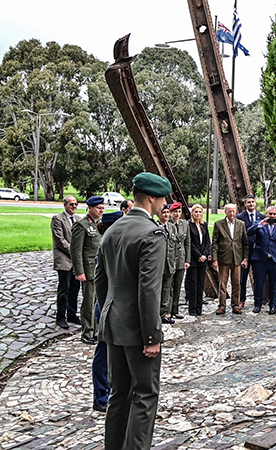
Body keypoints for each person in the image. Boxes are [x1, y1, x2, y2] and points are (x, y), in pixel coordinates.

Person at [95, 172, 171, 450]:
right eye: (162, 198)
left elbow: (100, 280)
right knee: (145, 395)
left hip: (113, 325)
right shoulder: (152, 233)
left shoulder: (112, 229)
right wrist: (152, 337)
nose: (164, 204)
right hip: (139, 331)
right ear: (151, 198)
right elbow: (148, 291)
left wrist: (110, 314)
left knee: (119, 394)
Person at [91, 210, 123, 413]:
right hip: (105, 306)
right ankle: (100, 396)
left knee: (111, 353)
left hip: (112, 306)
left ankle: (109, 390)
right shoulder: (106, 247)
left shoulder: (114, 245)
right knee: (103, 353)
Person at [72, 195, 105, 345]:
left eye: (102, 208)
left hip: (99, 270)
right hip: (89, 269)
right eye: (98, 208)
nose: (101, 211)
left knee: (98, 302)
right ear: (90, 208)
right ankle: (87, 332)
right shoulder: (82, 225)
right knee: (89, 302)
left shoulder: (101, 224)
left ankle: (97, 330)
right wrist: (79, 271)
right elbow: (76, 250)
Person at [247, 206, 276, 315]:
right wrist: (259, 225)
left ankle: (273, 306)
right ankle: (257, 304)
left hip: (274, 260)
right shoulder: (260, 223)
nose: (271, 216)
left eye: (274, 214)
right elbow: (249, 232)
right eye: (270, 214)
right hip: (260, 259)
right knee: (259, 283)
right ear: (266, 214)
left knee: (274, 284)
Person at [211, 203, 249, 315]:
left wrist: (245, 258)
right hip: (223, 258)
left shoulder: (241, 224)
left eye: (233, 211)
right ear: (225, 212)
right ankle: (222, 305)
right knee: (223, 283)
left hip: (237, 258)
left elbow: (245, 243)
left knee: (236, 283)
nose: (232, 213)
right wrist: (215, 259)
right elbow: (214, 243)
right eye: (229, 211)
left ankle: (235, 305)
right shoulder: (218, 224)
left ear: (236, 212)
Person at [51, 196, 81, 330]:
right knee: (64, 289)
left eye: (76, 204)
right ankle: (61, 317)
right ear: (64, 205)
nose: (74, 207)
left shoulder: (79, 219)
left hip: (76, 261)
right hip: (64, 258)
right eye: (71, 204)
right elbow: (60, 240)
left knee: (75, 288)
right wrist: (75, 252)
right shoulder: (57, 219)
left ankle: (72, 314)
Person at [236, 195, 266, 309]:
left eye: (253, 202)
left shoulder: (261, 217)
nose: (251, 204)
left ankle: (259, 299)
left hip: (258, 251)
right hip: (245, 251)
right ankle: (242, 299)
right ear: (245, 204)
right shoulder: (240, 217)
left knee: (259, 277)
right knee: (243, 277)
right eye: (249, 202)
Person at [186, 204, 211, 316]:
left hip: (203, 259)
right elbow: (189, 242)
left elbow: (207, 241)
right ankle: (192, 308)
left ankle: (199, 308)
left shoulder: (204, 225)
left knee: (201, 283)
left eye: (200, 212)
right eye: (196, 212)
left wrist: (205, 254)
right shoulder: (188, 225)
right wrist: (198, 255)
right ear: (192, 213)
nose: (198, 214)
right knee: (193, 283)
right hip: (194, 258)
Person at [168, 202, 191, 320]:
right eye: (175, 212)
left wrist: (187, 260)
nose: (177, 214)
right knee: (169, 286)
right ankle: (167, 310)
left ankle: (175, 309)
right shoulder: (168, 224)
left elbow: (187, 243)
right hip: (170, 259)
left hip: (181, 258)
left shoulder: (184, 224)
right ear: (171, 213)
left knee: (177, 286)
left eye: (179, 212)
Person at [157, 206, 176, 324]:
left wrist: (173, 262)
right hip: (158, 264)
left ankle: (164, 313)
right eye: (163, 212)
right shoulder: (154, 226)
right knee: (157, 290)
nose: (166, 215)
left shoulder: (171, 227)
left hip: (169, 263)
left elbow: (172, 247)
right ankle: (156, 313)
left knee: (166, 289)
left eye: (167, 212)